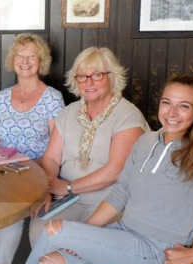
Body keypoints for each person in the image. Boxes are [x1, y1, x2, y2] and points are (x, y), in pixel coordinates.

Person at [20, 76, 193, 264]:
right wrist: (84, 236)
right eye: (167, 103)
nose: (172, 113)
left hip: (157, 253)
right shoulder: (146, 141)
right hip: (122, 234)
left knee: (54, 228)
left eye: (184, 106)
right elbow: (121, 193)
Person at [46, 47, 150, 199]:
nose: (89, 82)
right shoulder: (67, 112)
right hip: (64, 195)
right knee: (37, 221)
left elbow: (115, 171)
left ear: (112, 77)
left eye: (97, 75)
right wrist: (48, 188)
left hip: (108, 199)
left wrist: (68, 187)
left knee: (50, 223)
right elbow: (51, 159)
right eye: (82, 76)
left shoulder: (129, 115)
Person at [0, 34, 69, 155]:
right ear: (13, 59)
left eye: (32, 56)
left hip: (38, 169)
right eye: (20, 55)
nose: (25, 61)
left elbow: (57, 149)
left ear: (41, 60)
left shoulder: (53, 98)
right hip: (0, 169)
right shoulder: (0, 98)